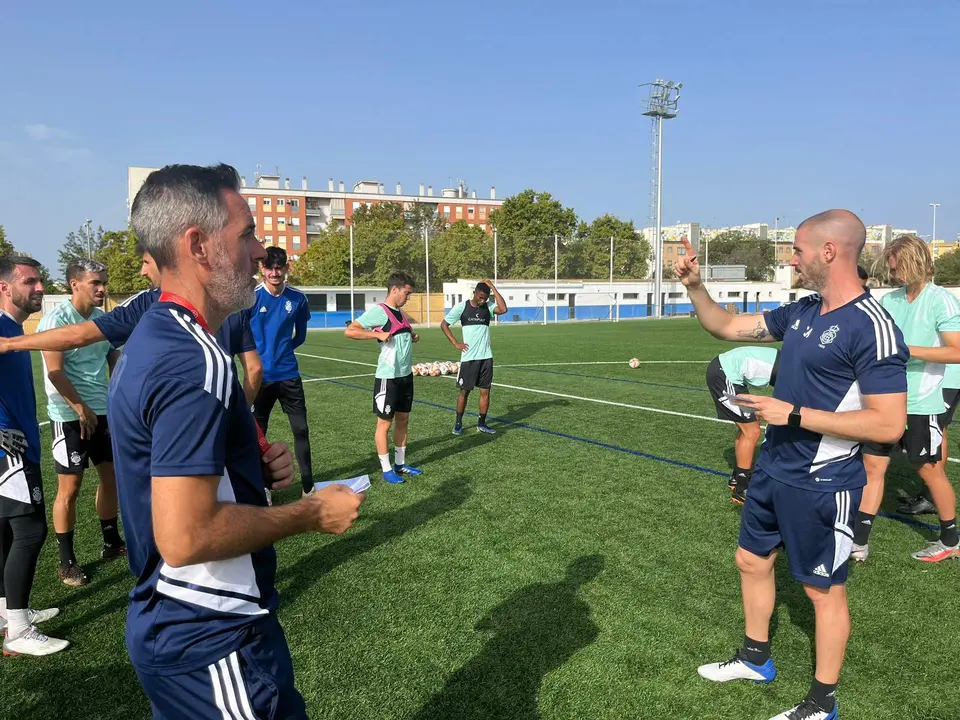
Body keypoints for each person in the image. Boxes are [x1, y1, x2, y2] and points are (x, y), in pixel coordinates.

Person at [112, 163, 364, 717]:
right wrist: (310, 514)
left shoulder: (165, 337)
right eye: (246, 233)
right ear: (199, 245)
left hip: (186, 627)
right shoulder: (189, 359)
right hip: (210, 634)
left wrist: (248, 464)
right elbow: (186, 534)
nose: (259, 252)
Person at [678, 210, 907, 720]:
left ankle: (822, 702)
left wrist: (795, 414)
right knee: (751, 562)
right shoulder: (801, 312)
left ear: (829, 251)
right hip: (774, 470)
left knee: (821, 591)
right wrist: (696, 288)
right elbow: (726, 326)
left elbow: (889, 424)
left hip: (824, 483)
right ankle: (756, 658)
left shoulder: (873, 327)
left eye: (798, 250)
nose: (792, 259)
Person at [0, 247, 263, 406]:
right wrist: (240, 410)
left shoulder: (149, 302)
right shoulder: (232, 304)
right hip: (224, 415)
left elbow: (79, 336)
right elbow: (253, 368)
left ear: (167, 262)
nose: (142, 271)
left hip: (178, 421)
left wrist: (11, 344)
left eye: (146, 263)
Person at [852, 235, 960, 563]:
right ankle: (858, 543)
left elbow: (956, 352)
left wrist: (907, 350)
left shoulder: (941, 299)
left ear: (916, 261)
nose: (894, 273)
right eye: (891, 267)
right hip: (885, 400)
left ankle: (951, 539)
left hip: (921, 401)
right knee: (872, 465)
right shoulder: (890, 300)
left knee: (928, 470)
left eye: (898, 266)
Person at [38, 259, 125, 588]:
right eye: (95, 283)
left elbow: (113, 356)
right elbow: (55, 371)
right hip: (69, 415)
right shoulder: (55, 321)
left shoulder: (103, 321)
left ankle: (111, 542)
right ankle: (67, 562)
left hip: (103, 412)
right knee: (70, 489)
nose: (102, 288)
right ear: (75, 285)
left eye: (104, 281)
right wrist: (80, 407)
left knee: (111, 477)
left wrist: (121, 393)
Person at [0, 255, 67, 656]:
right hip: (11, 448)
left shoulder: (13, 328)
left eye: (40, 281)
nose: (39, 288)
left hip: (14, 442)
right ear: (5, 288)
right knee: (29, 531)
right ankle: (19, 629)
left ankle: (7, 612)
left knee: (5, 530)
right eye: (30, 282)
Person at [346, 272, 422, 484]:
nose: (408, 297)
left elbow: (399, 333)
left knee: (403, 420)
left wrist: (412, 336)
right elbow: (351, 330)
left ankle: (400, 463)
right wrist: (376, 334)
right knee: (384, 424)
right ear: (395, 290)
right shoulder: (380, 311)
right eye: (407, 293)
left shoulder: (400, 313)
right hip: (387, 378)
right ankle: (387, 469)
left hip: (405, 376)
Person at [249, 247, 314, 496]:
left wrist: (283, 350)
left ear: (286, 269)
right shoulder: (252, 298)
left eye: (279, 267)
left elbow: (301, 336)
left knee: (301, 430)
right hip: (260, 379)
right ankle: (261, 488)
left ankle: (308, 488)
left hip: (289, 376)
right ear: (262, 269)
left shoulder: (298, 299)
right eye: (270, 268)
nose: (274, 273)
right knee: (258, 435)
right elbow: (241, 336)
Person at [705, 346, 780, 504]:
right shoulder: (791, 369)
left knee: (748, 427)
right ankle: (741, 489)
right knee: (751, 431)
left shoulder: (790, 363)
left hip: (728, 374)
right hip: (724, 375)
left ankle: (736, 478)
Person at [441, 280, 508, 435]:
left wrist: (492, 287)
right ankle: (458, 423)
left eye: (485, 298)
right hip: (469, 359)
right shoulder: (462, 307)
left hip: (486, 358)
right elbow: (444, 324)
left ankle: (482, 423)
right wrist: (456, 343)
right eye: (480, 297)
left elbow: (503, 309)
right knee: (464, 392)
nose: (482, 300)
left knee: (485, 392)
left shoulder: (488, 307)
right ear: (475, 293)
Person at [899, 361, 960, 515]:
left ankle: (931, 497)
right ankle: (929, 495)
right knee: (940, 431)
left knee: (938, 432)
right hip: (940, 375)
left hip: (945, 376)